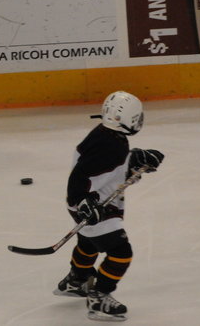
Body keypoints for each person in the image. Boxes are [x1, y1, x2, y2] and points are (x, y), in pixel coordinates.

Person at [53, 91, 164, 321]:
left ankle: (76, 281)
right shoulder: (111, 145)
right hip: (94, 207)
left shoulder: (106, 135)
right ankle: (99, 298)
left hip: (85, 204)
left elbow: (107, 167)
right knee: (121, 253)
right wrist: (83, 202)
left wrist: (136, 159)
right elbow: (80, 176)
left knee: (88, 243)